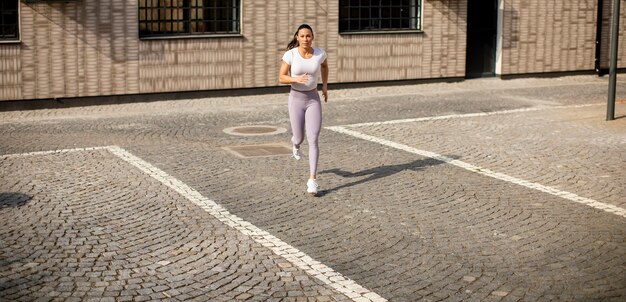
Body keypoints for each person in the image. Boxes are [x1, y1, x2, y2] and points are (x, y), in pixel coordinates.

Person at [279, 24, 329, 196]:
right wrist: (296, 78)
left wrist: (324, 86)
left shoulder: (320, 54)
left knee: (313, 138)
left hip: (313, 99)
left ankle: (312, 180)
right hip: (296, 99)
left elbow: (324, 67)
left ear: (312, 37)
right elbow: (281, 77)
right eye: (302, 36)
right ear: (297, 38)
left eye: (308, 36)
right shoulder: (290, 55)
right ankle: (295, 144)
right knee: (299, 137)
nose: (305, 39)